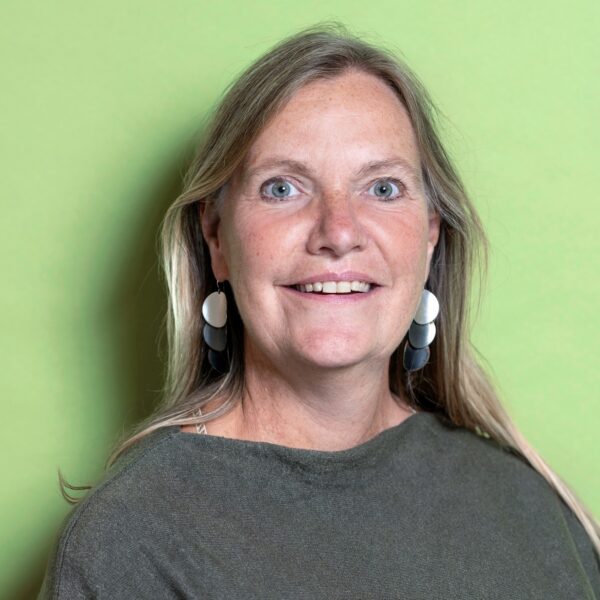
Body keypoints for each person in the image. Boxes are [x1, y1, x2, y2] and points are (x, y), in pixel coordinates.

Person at [37, 22, 600, 599]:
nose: (338, 232)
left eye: (382, 188)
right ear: (216, 236)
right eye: (283, 188)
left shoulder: (527, 503)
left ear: (430, 236)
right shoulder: (132, 540)